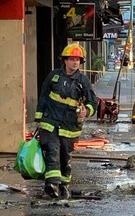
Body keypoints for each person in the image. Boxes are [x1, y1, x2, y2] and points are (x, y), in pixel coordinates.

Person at [34, 43, 97, 199]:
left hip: (70, 126)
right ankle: (51, 184)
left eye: (77, 60)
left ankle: (64, 186)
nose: (75, 62)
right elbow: (43, 96)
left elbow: (92, 102)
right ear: (65, 60)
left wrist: (86, 111)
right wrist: (38, 117)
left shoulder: (83, 80)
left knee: (65, 156)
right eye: (71, 59)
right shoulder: (54, 76)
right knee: (52, 150)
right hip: (50, 121)